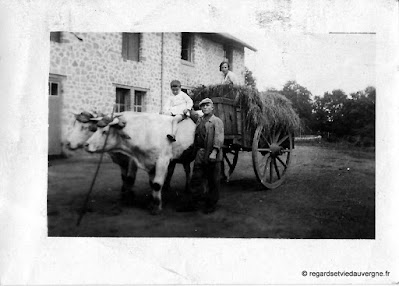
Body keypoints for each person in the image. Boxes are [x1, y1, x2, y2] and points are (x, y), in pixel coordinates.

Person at [177, 97, 224, 214]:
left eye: (208, 105)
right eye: (203, 106)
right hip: (200, 153)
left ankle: (211, 205)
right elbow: (196, 135)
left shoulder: (216, 121)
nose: (205, 107)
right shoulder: (199, 120)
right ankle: (193, 204)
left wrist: (214, 152)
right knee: (196, 179)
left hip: (212, 154)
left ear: (212, 107)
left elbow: (219, 138)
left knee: (213, 180)